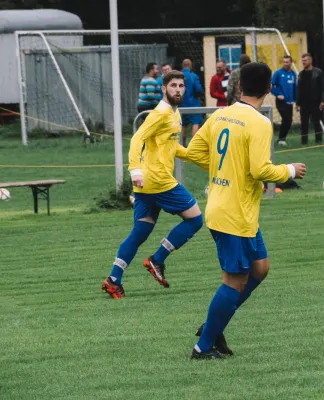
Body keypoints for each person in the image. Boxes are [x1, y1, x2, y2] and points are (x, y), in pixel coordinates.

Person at [184, 62, 307, 359]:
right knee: (235, 280)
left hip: (230, 209)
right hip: (233, 214)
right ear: (269, 89)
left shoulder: (221, 115)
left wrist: (225, 168)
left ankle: (215, 324)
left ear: (240, 87)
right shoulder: (260, 123)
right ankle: (203, 347)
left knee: (260, 269)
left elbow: (194, 151)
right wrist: (290, 170)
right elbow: (260, 169)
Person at [101, 70, 205, 299]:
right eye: (173, 86)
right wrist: (134, 169)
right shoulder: (160, 113)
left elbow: (171, 147)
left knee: (140, 232)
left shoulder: (174, 114)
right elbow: (137, 138)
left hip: (146, 186)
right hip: (159, 181)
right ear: (164, 89)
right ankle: (157, 259)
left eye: (181, 86)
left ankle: (113, 280)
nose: (177, 89)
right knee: (196, 219)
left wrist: (197, 158)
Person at [296, 53, 324, 145]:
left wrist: (323, 100)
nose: (303, 62)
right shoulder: (301, 74)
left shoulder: (318, 72)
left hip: (315, 102)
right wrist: (297, 103)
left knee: (316, 122)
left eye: (305, 60)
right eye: (302, 61)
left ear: (310, 61)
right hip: (304, 103)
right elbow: (299, 89)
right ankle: (304, 142)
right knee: (304, 123)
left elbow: (323, 87)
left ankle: (318, 140)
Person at [271, 55, 297, 146]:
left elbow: (295, 88)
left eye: (287, 62)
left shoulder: (293, 74)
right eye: (284, 62)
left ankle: (282, 139)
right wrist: (278, 94)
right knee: (286, 118)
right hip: (281, 101)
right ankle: (281, 139)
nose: (285, 64)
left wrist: (296, 101)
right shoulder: (278, 73)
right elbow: (271, 86)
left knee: (288, 121)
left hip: (290, 101)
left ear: (291, 62)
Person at [181, 58, 204, 145]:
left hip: (181, 105)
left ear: (183, 66)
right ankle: (194, 145)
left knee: (183, 125)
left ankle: (182, 145)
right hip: (193, 104)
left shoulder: (178, 76)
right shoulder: (193, 76)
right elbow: (199, 89)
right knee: (195, 123)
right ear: (190, 66)